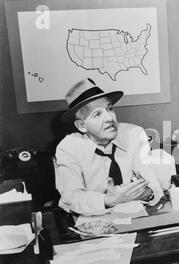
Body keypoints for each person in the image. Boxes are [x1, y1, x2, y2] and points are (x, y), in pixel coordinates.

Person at [55, 78, 164, 215]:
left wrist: (145, 193)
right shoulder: (68, 147)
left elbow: (152, 181)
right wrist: (111, 200)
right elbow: (71, 196)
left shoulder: (134, 134)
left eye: (110, 109)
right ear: (81, 126)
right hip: (88, 220)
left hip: (133, 216)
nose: (109, 118)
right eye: (97, 114)